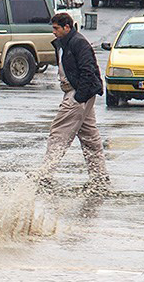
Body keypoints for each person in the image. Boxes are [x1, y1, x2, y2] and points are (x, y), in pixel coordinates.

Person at [37, 12, 108, 188]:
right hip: (79, 93)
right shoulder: (64, 43)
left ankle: (45, 174)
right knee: (90, 137)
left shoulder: (78, 42)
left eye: (56, 28)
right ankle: (99, 176)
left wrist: (79, 97)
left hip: (77, 93)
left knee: (59, 133)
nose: (53, 32)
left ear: (67, 27)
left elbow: (88, 70)